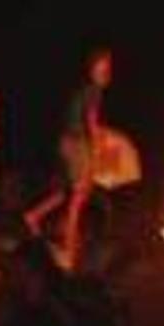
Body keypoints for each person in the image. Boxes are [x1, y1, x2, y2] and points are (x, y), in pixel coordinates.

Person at [24, 47, 113, 270]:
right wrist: (97, 152)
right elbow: (90, 124)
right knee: (79, 198)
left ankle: (33, 216)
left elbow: (81, 120)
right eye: (100, 69)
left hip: (65, 142)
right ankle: (68, 253)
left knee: (64, 193)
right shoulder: (93, 91)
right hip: (75, 144)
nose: (104, 73)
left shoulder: (84, 89)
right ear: (92, 70)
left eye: (107, 69)